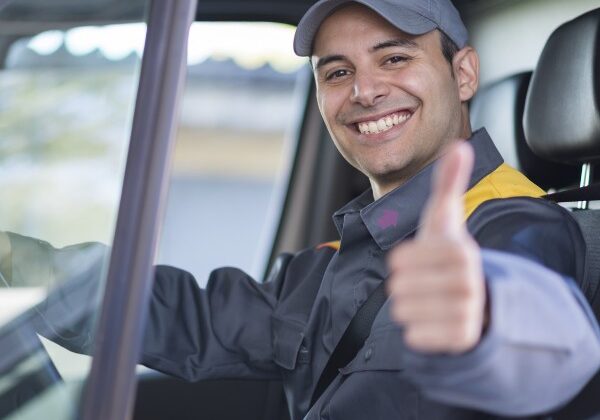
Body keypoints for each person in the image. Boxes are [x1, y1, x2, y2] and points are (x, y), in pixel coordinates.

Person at [1, 0, 600, 419]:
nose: (364, 91)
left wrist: (489, 317)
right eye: (337, 72)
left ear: (462, 73)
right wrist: (21, 262)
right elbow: (197, 320)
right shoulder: (344, 257)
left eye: (394, 58)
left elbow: (540, 323)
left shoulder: (515, 224)